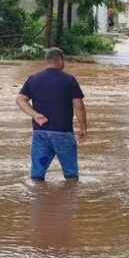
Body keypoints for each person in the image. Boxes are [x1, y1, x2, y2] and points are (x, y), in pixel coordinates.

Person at [15, 48, 87, 182]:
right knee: (71, 176)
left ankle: (37, 200)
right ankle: (69, 200)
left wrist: (35, 114)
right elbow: (78, 105)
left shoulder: (34, 78)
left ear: (46, 61)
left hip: (40, 132)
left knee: (36, 177)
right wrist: (83, 127)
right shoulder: (69, 80)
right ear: (60, 60)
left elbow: (20, 99)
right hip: (63, 132)